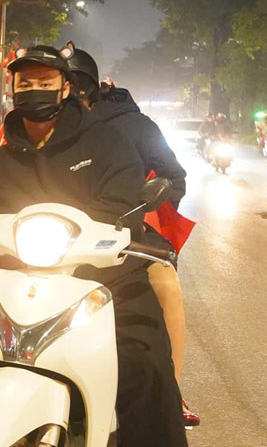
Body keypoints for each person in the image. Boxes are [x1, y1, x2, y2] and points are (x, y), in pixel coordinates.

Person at [0, 46, 187, 447]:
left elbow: (123, 202)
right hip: (23, 287)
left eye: (45, 83)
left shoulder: (106, 144)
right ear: (14, 91)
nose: (35, 90)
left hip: (104, 281)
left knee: (144, 362)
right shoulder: (1, 159)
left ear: (65, 88)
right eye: (25, 83)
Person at [67, 47, 198, 426]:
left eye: (75, 85)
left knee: (167, 286)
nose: (65, 94)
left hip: (123, 235)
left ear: (90, 89)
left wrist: (140, 209)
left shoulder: (134, 126)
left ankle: (169, 392)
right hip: (55, 238)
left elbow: (175, 178)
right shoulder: (40, 127)